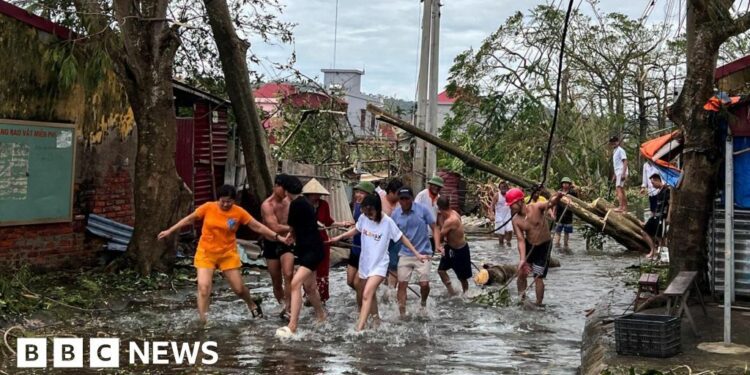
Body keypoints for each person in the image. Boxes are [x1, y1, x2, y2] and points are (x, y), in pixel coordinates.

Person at [158, 184, 287, 323]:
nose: (225, 204)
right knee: (203, 287)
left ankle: (252, 303)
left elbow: (257, 226)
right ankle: (204, 321)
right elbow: (189, 219)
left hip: (227, 254)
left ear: (234, 200)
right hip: (206, 253)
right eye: (222, 201)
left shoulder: (239, 212)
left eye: (229, 201)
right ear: (218, 199)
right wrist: (170, 230)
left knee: (238, 289)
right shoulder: (208, 207)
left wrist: (278, 237)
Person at [329, 195, 425, 331]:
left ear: (377, 209)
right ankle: (376, 320)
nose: (369, 216)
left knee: (367, 293)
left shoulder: (387, 222)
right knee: (370, 294)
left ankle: (359, 329)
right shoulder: (363, 218)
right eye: (366, 213)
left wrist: (416, 254)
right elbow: (357, 229)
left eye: (371, 213)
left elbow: (401, 237)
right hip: (365, 263)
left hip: (380, 265)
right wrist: (340, 237)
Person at [276, 176, 327, 337]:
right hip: (310, 249)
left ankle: (293, 325)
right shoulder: (305, 202)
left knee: (295, 283)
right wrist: (293, 234)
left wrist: (291, 234)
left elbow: (292, 226)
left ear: (286, 190)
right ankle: (321, 315)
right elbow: (300, 226)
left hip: (311, 250)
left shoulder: (296, 204)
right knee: (310, 287)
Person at [507, 187, 565, 306]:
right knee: (522, 273)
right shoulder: (516, 220)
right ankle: (521, 300)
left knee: (538, 276)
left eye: (512, 204)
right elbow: (520, 240)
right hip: (529, 245)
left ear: (520, 201)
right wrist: (522, 259)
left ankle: (538, 304)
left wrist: (558, 196)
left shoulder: (536, 207)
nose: (510, 207)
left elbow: (550, 203)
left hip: (543, 246)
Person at [391, 187, 441, 318]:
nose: (404, 202)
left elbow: (435, 227)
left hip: (423, 252)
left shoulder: (422, 210)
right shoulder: (395, 214)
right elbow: (390, 234)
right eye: (401, 199)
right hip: (405, 253)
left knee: (424, 284)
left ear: (412, 199)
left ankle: (423, 303)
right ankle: (402, 314)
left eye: (407, 199)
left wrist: (437, 245)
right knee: (402, 284)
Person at [302, 178, 354, 304]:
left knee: (323, 269)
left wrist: (342, 223)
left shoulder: (324, 205)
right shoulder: (301, 206)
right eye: (314, 194)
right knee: (307, 270)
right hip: (307, 242)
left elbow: (328, 221)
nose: (317, 196)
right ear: (308, 194)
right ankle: (309, 294)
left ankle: (322, 297)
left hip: (322, 241)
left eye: (319, 194)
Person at [261, 174, 294, 319]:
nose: (285, 193)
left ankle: (289, 307)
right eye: (283, 189)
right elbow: (273, 226)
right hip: (271, 242)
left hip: (287, 242)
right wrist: (294, 227)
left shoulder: (290, 201)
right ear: (276, 186)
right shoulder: (267, 205)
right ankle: (282, 304)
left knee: (288, 274)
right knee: (276, 279)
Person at [347, 181, 376, 309]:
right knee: (350, 281)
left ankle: (362, 310)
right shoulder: (357, 206)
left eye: (361, 193)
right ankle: (368, 294)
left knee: (358, 282)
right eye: (357, 192)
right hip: (355, 248)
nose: (358, 195)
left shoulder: (373, 211)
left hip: (366, 251)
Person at [436, 196, 472, 296]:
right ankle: (451, 291)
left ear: (440, 208)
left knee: (462, 278)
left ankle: (466, 294)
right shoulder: (451, 213)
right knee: (441, 270)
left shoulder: (451, 220)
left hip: (461, 250)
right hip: (450, 247)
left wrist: (438, 246)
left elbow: (441, 235)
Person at [379, 178, 404, 289]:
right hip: (380, 238)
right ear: (390, 192)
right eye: (397, 194)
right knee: (381, 265)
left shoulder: (402, 203)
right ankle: (382, 286)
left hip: (396, 239)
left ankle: (391, 290)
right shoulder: (379, 199)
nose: (399, 197)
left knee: (394, 265)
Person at [644, 173, 671, 259]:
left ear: (658, 180)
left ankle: (662, 256)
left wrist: (669, 217)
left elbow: (670, 204)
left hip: (662, 217)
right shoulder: (659, 191)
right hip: (656, 215)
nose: (652, 185)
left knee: (661, 237)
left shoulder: (667, 190)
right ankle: (653, 250)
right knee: (644, 231)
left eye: (653, 183)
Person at [553, 177, 578, 249]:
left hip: (568, 215)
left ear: (569, 184)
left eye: (567, 183)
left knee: (567, 233)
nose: (565, 185)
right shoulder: (559, 192)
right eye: (564, 183)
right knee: (558, 232)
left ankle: (565, 245)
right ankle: (557, 245)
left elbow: (576, 202)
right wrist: (554, 213)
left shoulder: (572, 192)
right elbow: (555, 203)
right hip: (559, 214)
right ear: (562, 184)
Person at [609, 136, 628, 212]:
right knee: (622, 190)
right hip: (618, 172)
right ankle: (624, 208)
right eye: (612, 142)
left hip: (621, 171)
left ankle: (620, 207)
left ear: (618, 142)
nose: (613, 143)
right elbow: (616, 164)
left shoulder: (620, 150)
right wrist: (614, 175)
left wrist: (623, 173)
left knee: (618, 189)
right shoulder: (614, 151)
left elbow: (625, 161)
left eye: (615, 141)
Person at [491, 181, 513, 247]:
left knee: (510, 230)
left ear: (507, 188)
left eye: (505, 187)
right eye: (502, 187)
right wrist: (492, 215)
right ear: (499, 188)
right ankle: (501, 246)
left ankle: (508, 243)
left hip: (508, 215)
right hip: (499, 216)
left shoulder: (510, 194)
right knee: (501, 233)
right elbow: (492, 206)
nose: (504, 188)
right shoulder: (497, 195)